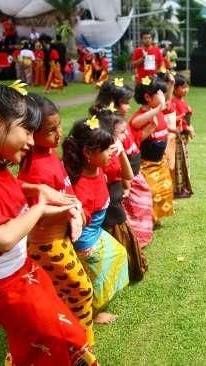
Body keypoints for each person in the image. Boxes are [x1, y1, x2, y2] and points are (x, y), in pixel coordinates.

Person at [0, 82, 97, 364]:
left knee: (48, 332)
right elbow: (1, 238)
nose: (30, 141)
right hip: (0, 286)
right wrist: (39, 207)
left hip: (21, 271)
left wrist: (42, 195)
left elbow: (8, 192)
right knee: (54, 338)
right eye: (26, 130)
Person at [17, 94, 95, 346]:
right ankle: (78, 345)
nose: (59, 133)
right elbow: (36, 214)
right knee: (81, 291)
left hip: (60, 239)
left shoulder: (48, 154)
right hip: (48, 245)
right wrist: (70, 210)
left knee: (65, 290)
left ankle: (69, 336)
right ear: (29, 133)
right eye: (50, 130)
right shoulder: (35, 167)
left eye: (59, 125)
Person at [62, 116, 130, 325]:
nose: (113, 152)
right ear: (88, 153)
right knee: (97, 275)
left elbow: (128, 174)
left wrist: (119, 151)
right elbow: (75, 228)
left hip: (96, 232)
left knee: (118, 254)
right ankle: (91, 311)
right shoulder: (80, 187)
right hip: (85, 241)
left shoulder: (99, 167)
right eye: (108, 148)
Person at [93, 79, 155, 247]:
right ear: (112, 102)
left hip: (133, 174)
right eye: (125, 103)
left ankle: (139, 237)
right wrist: (126, 183)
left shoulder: (119, 124)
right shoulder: (107, 128)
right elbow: (114, 160)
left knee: (142, 205)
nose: (128, 107)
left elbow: (132, 144)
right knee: (131, 211)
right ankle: (135, 239)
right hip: (123, 180)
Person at [96, 110, 148, 282]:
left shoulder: (115, 151)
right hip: (108, 209)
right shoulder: (100, 157)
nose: (126, 135)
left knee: (123, 236)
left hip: (116, 205)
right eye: (121, 132)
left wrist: (121, 152)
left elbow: (128, 175)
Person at [129, 76, 175, 224]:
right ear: (148, 97)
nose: (163, 96)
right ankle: (149, 219)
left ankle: (156, 217)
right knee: (151, 192)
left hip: (160, 162)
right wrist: (158, 108)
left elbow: (167, 100)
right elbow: (134, 123)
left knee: (164, 190)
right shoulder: (143, 115)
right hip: (147, 165)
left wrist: (171, 84)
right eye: (159, 93)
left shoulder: (159, 110)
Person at [172, 74, 195, 198]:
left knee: (184, 162)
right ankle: (178, 189)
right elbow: (175, 120)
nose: (186, 90)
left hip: (183, 137)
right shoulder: (173, 102)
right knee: (178, 163)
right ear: (174, 88)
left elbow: (186, 117)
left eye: (187, 87)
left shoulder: (182, 101)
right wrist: (188, 128)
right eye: (183, 87)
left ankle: (183, 187)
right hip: (177, 137)